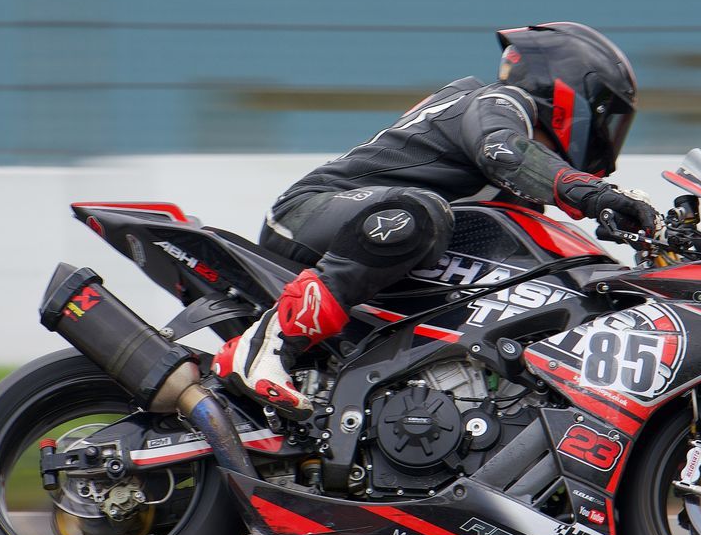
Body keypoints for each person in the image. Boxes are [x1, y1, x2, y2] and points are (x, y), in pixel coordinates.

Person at [219, 22, 658, 412]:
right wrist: (593, 193)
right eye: (607, 119)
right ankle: (265, 343)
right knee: (420, 213)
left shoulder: (522, 193)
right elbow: (502, 149)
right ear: (572, 98)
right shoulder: (499, 102)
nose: (608, 137)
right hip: (309, 213)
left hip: (376, 243)